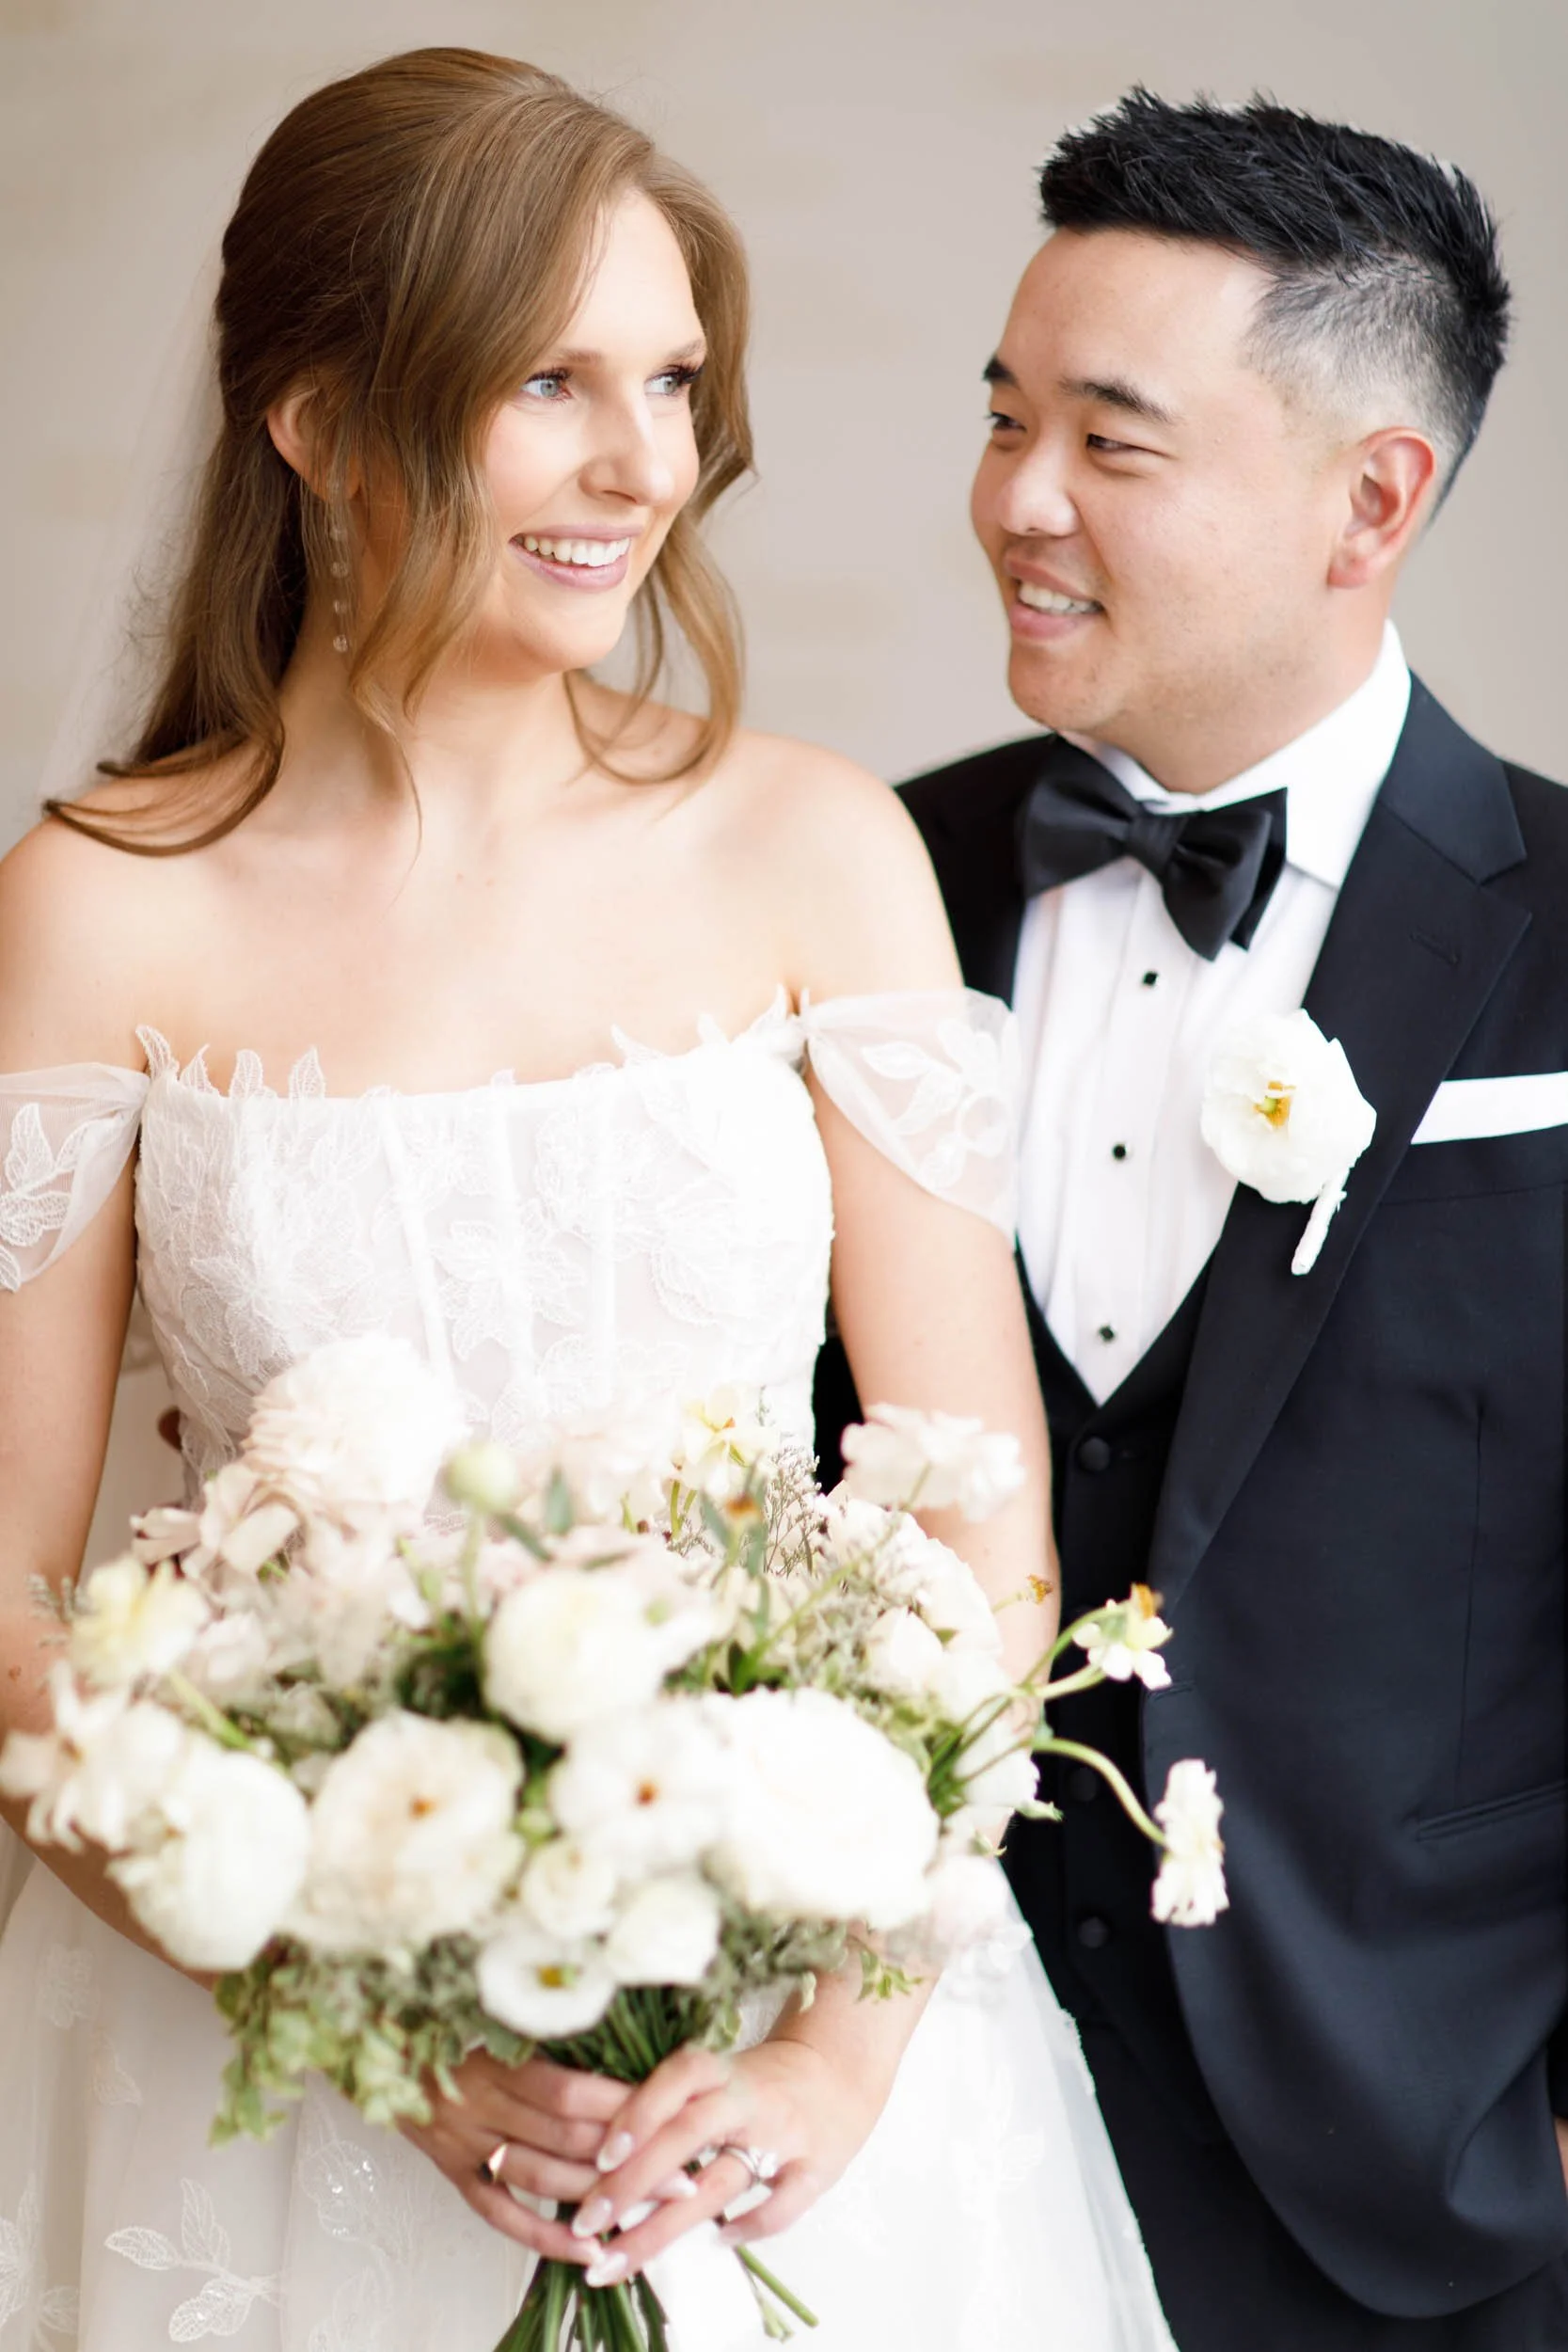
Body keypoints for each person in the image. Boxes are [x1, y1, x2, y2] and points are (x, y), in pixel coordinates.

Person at [0, 48, 1177, 2352]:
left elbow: (975, 1520)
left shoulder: (814, 849)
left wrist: (838, 2042)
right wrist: (380, 2023)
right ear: (320, 418)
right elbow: (9, 1603)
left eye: (668, 380)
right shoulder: (97, 904)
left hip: (795, 2077)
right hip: (262, 2074)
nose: (644, 465)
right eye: (551, 381)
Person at [818, 85, 1568, 2352]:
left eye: (1110, 444)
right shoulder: (854, 891)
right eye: (1000, 419)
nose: (1014, 506)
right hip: (901, 2142)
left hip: (1414, 2179)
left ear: (1371, 498)